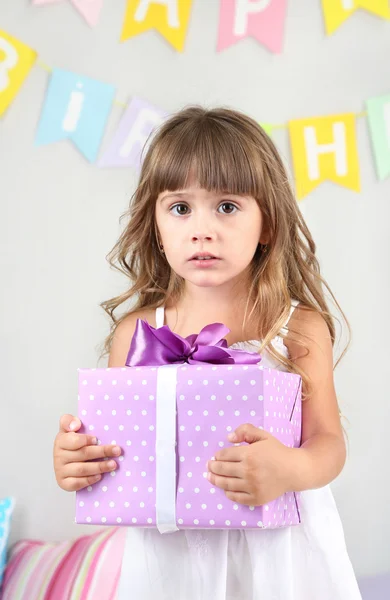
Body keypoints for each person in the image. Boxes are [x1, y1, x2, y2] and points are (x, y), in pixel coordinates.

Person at [53, 106, 362, 599]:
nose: (202, 229)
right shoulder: (136, 333)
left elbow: (328, 444)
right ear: (156, 225)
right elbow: (116, 454)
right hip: (171, 557)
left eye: (227, 207)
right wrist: (77, 462)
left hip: (277, 556)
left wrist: (288, 469)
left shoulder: (297, 328)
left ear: (267, 223)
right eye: (180, 208)